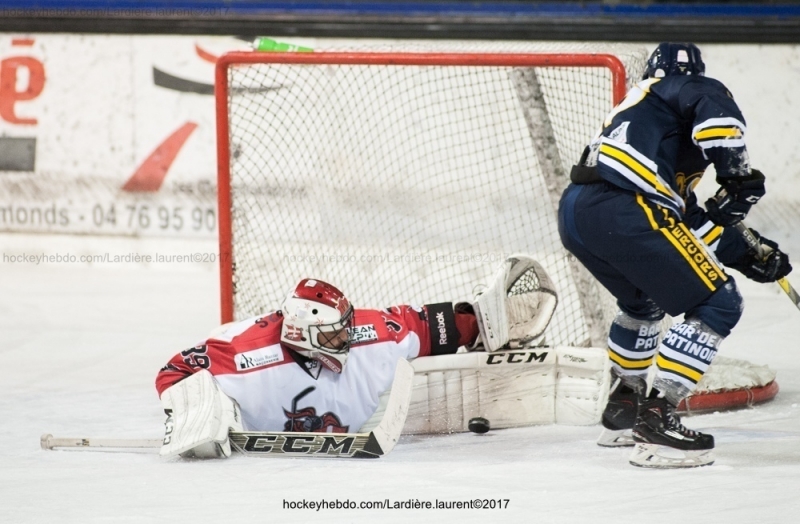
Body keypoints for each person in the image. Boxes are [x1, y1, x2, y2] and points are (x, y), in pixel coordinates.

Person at [557, 43, 792, 468]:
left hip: (578, 211)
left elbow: (686, 222)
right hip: (628, 208)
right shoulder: (686, 87)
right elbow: (716, 111)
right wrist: (737, 178)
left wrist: (749, 252)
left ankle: (624, 410)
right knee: (719, 301)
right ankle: (658, 418)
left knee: (643, 301)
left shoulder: (650, 125)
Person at [155, 255, 556, 458]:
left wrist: (479, 323)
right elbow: (171, 373)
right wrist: (206, 416)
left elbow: (423, 326)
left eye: (346, 326)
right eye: (334, 334)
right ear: (302, 334)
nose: (347, 338)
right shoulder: (243, 354)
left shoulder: (371, 331)